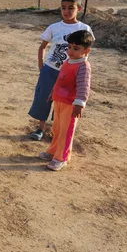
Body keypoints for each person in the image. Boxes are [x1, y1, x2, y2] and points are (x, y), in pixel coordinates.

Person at [28, 0, 94, 141]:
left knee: (63, 102)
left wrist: (80, 68)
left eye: (71, 8)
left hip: (71, 72)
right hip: (50, 69)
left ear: (79, 8)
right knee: (43, 98)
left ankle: (55, 130)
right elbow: (42, 47)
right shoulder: (54, 27)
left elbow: (87, 49)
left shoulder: (85, 28)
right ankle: (41, 128)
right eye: (63, 8)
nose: (66, 11)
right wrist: (42, 67)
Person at [38, 30, 93, 171]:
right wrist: (53, 93)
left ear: (86, 50)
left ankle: (62, 157)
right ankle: (53, 151)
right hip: (59, 100)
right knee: (57, 128)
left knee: (66, 131)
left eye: (76, 48)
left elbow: (83, 86)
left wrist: (80, 104)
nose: (71, 51)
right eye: (69, 47)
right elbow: (59, 80)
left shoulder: (83, 67)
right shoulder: (68, 61)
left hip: (70, 104)